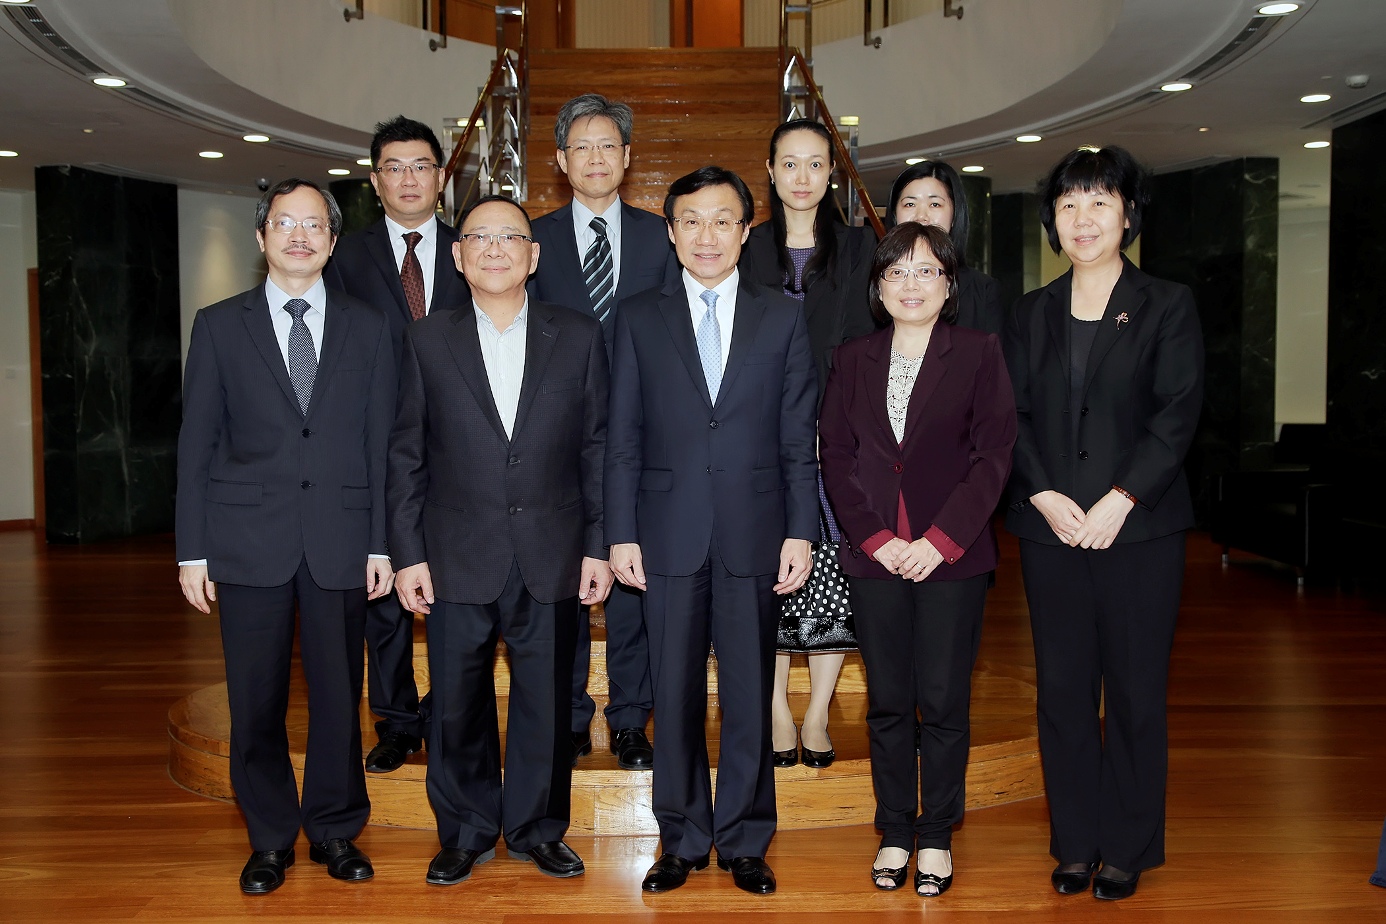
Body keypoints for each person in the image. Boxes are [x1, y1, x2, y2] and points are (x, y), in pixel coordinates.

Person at [176, 179, 396, 894]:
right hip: (246, 540)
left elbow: (381, 443)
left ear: (332, 241)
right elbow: (197, 443)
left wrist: (382, 543)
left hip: (341, 538)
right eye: (284, 223)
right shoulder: (218, 325)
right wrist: (192, 550)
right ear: (261, 237)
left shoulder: (369, 326)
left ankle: (334, 828)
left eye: (314, 225)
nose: (299, 236)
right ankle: (269, 837)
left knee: (338, 696)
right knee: (256, 699)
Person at [605, 166, 819, 895]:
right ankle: (682, 837)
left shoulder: (782, 316)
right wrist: (621, 531)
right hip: (665, 531)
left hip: (756, 530)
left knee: (750, 692)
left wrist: (801, 530)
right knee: (673, 691)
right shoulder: (638, 316)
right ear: (670, 232)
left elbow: (797, 438)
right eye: (691, 220)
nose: (707, 235)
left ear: (745, 230)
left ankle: (746, 838)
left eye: (722, 220)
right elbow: (622, 436)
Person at [388, 195, 611, 886]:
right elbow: (405, 455)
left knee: (547, 700)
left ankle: (539, 829)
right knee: (457, 703)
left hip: (553, 549)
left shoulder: (578, 335)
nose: (494, 248)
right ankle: (465, 831)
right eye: (478, 237)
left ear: (533, 255)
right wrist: (407, 554)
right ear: (457, 257)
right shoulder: (427, 339)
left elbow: (598, 449)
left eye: (509, 237)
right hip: (454, 551)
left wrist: (599, 545)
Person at [1003, 145, 1204, 901]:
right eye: (1068, 204)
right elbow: (1010, 416)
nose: (1082, 218)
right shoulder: (1030, 312)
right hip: (1051, 530)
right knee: (1061, 691)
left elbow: (1176, 414)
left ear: (1127, 215)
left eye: (1099, 202)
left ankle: (1127, 846)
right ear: (1051, 220)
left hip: (1139, 531)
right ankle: (1075, 842)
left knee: (1134, 691)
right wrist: (1043, 495)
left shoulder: (1167, 304)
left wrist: (1123, 497)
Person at [820, 222, 1016, 898]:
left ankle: (937, 834)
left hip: (951, 558)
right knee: (888, 702)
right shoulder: (851, 359)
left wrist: (938, 541)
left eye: (927, 271)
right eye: (897, 272)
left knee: (943, 698)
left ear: (948, 284)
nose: (911, 284)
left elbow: (994, 455)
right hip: (875, 557)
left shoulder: (979, 353)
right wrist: (876, 538)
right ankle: (895, 828)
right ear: (878, 287)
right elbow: (836, 456)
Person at [528, 93, 675, 772]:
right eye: (581, 146)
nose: (595, 157)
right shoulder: (531, 241)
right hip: (560, 442)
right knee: (567, 582)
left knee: (632, 582)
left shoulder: (661, 236)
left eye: (608, 145)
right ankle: (567, 715)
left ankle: (630, 718)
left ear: (627, 156)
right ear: (561, 160)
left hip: (645, 439)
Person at [324, 115, 470, 774]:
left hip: (465, 447)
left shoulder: (476, 245)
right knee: (382, 588)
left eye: (421, 166)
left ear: (441, 176)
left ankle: (450, 711)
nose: (409, 179)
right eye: (394, 168)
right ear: (375, 179)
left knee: (459, 589)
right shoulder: (343, 257)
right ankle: (396, 719)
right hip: (376, 446)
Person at [739, 118, 876, 770]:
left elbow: (869, 346)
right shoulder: (744, 246)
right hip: (757, 439)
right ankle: (773, 709)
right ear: (770, 171)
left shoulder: (861, 249)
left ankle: (817, 712)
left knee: (832, 578)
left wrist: (836, 430)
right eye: (789, 163)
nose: (801, 177)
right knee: (766, 575)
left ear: (832, 175)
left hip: (839, 439)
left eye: (815, 164)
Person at [885, 160, 1004, 336]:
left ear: (955, 215)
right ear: (895, 215)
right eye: (910, 204)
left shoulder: (983, 290)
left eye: (935, 204)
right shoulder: (878, 283)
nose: (921, 216)